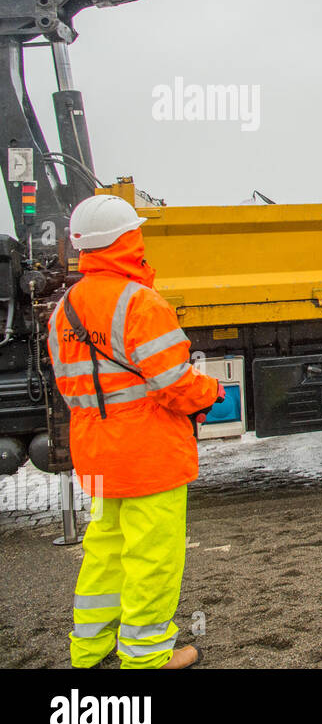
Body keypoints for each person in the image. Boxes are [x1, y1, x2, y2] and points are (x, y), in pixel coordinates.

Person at [47, 193, 222, 668]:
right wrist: (209, 392)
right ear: (128, 239)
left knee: (105, 549)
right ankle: (146, 657)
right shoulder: (141, 303)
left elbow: (70, 386)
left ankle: (89, 650)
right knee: (153, 557)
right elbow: (174, 384)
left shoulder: (64, 310)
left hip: (96, 451)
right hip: (147, 453)